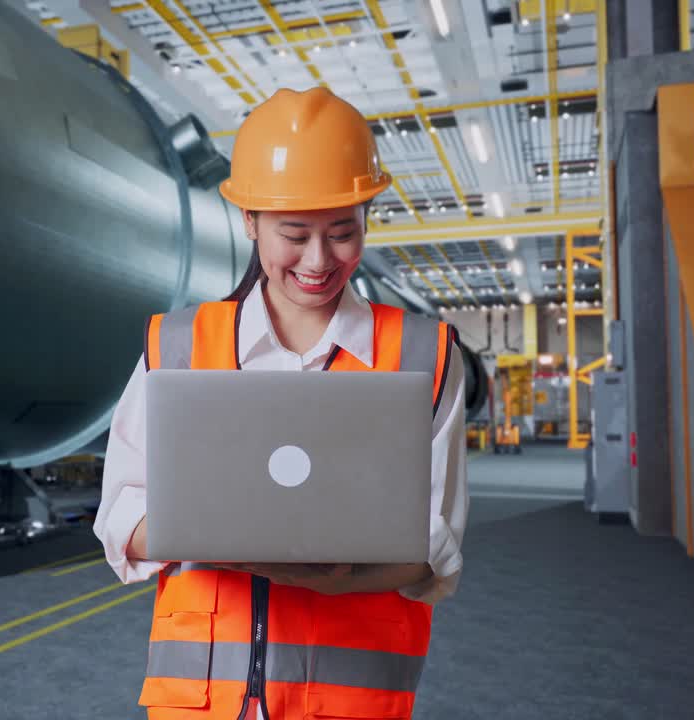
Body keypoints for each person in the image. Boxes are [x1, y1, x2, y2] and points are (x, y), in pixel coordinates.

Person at [93, 86, 468, 719]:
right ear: (249, 222)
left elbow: (436, 542)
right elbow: (120, 516)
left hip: (348, 706)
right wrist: (217, 536)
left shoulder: (423, 354)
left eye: (343, 233)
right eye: (294, 234)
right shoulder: (179, 345)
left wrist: (337, 574)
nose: (319, 261)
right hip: (200, 704)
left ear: (366, 217)